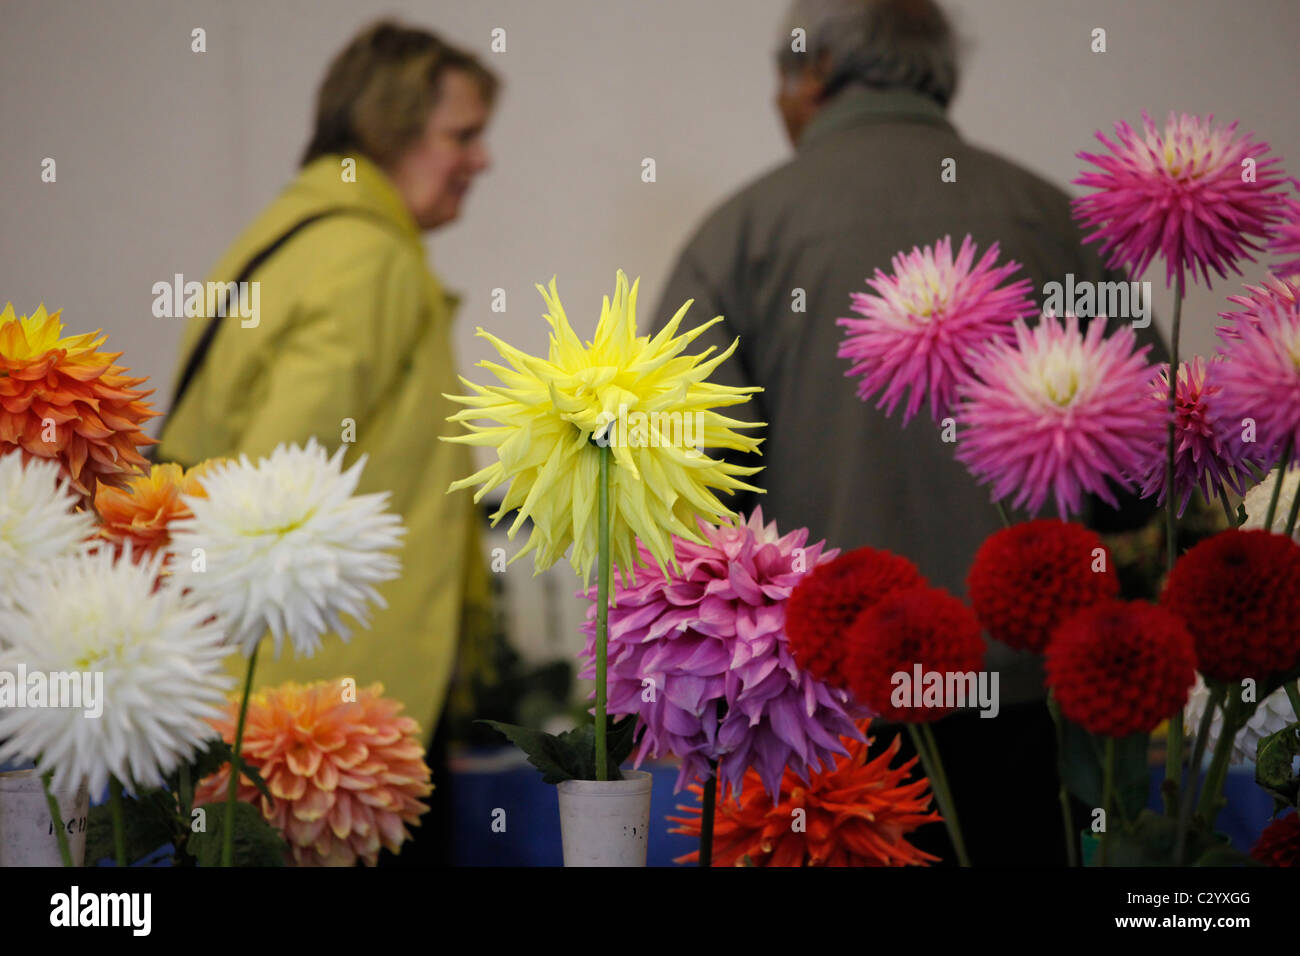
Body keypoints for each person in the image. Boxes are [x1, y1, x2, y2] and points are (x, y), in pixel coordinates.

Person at [653, 0, 1169, 865]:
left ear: (810, 71)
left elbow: (684, 492)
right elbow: (1149, 465)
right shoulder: (1052, 217)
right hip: (1036, 704)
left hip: (821, 719)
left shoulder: (738, 236)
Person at [155, 20, 499, 864]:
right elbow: (277, 488)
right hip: (331, 740)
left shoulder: (283, 241)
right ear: (390, 129)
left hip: (269, 707)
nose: (481, 160)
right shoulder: (366, 259)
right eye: (463, 135)